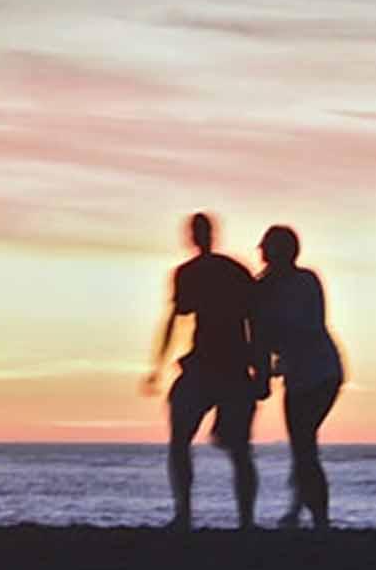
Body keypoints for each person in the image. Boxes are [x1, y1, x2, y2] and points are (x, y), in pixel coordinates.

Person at [145, 212, 268, 531]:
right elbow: (176, 318)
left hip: (228, 366)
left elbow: (256, 321)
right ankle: (187, 514)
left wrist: (262, 370)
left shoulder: (229, 271)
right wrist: (158, 365)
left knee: (237, 447)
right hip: (207, 365)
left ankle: (242, 520)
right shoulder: (196, 273)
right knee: (185, 441)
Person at [252, 225, 344, 532]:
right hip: (301, 373)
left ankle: (317, 517)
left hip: (319, 372)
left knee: (304, 445)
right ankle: (300, 511)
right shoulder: (265, 287)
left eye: (266, 247)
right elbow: (262, 337)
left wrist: (266, 369)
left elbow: (303, 326)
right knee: (303, 446)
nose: (261, 252)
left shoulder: (303, 282)